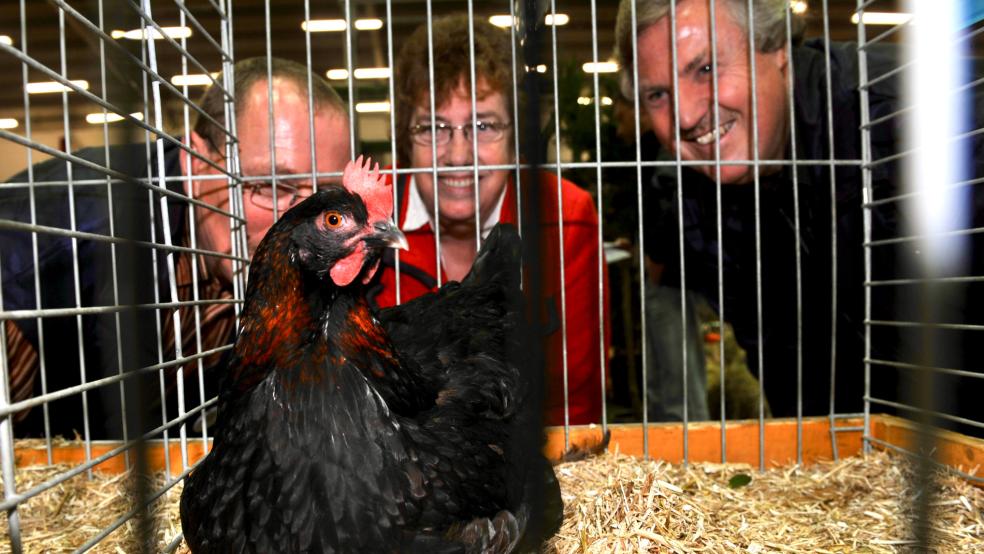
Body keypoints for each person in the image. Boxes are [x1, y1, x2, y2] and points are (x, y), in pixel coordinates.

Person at [615, 0, 984, 420]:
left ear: (777, 47)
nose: (685, 115)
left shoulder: (920, 112)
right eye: (657, 94)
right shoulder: (687, 187)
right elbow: (776, 355)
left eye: (706, 69)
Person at [1, 57, 351, 438]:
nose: (298, 224)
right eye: (271, 187)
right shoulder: (69, 240)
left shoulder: (285, 261)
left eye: (322, 199)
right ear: (195, 164)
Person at [369, 14, 610, 426]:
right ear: (405, 142)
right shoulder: (369, 218)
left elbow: (575, 396)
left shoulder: (565, 217)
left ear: (516, 140)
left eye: (483, 125)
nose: (458, 154)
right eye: (433, 127)